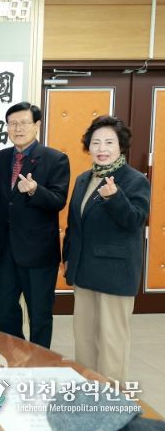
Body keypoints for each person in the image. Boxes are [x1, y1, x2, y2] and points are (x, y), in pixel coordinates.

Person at [63, 115, 150, 382]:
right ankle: (88, 389)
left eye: (109, 142)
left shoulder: (134, 180)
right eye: (96, 142)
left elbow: (135, 220)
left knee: (112, 342)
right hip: (84, 270)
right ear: (88, 146)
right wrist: (67, 257)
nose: (102, 149)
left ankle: (111, 397)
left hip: (115, 273)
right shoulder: (83, 179)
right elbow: (74, 224)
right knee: (85, 338)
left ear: (120, 146)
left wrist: (115, 198)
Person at [0, 101, 70, 349]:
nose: (18, 128)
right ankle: (13, 355)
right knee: (5, 310)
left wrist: (35, 190)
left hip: (38, 251)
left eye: (24, 123)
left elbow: (58, 200)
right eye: (12, 124)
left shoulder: (55, 159)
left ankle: (39, 360)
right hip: (5, 249)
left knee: (39, 314)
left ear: (36, 125)